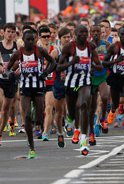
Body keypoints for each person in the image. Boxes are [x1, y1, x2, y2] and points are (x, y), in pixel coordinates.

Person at [5, 29, 56, 158]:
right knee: (27, 115)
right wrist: (9, 74)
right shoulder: (18, 53)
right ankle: (31, 144)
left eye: (32, 39)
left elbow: (53, 62)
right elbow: (8, 68)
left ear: (35, 40)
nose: (30, 42)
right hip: (25, 88)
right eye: (27, 39)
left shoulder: (40, 51)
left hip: (38, 87)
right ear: (23, 39)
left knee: (39, 114)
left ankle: (38, 125)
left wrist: (45, 73)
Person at [57, 25, 102, 156]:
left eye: (85, 32)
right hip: (71, 84)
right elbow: (59, 67)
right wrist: (71, 63)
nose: (84, 34)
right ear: (75, 34)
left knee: (83, 105)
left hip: (85, 82)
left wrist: (93, 66)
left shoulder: (90, 47)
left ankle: (83, 138)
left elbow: (99, 65)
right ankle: (70, 122)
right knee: (71, 112)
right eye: (81, 32)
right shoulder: (69, 47)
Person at [89, 24, 110, 144]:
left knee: (105, 96)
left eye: (98, 31)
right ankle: (91, 133)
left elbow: (111, 57)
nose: (96, 33)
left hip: (102, 75)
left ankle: (103, 118)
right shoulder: (87, 46)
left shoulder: (106, 44)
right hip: (91, 77)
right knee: (91, 108)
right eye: (94, 31)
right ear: (91, 33)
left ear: (102, 33)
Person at [0, 23, 19, 142]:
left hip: (11, 81)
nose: (10, 34)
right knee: (1, 102)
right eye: (8, 31)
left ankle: (0, 133)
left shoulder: (18, 46)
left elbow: (23, 61)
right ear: (3, 32)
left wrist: (19, 69)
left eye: (13, 32)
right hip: (0, 79)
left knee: (6, 109)